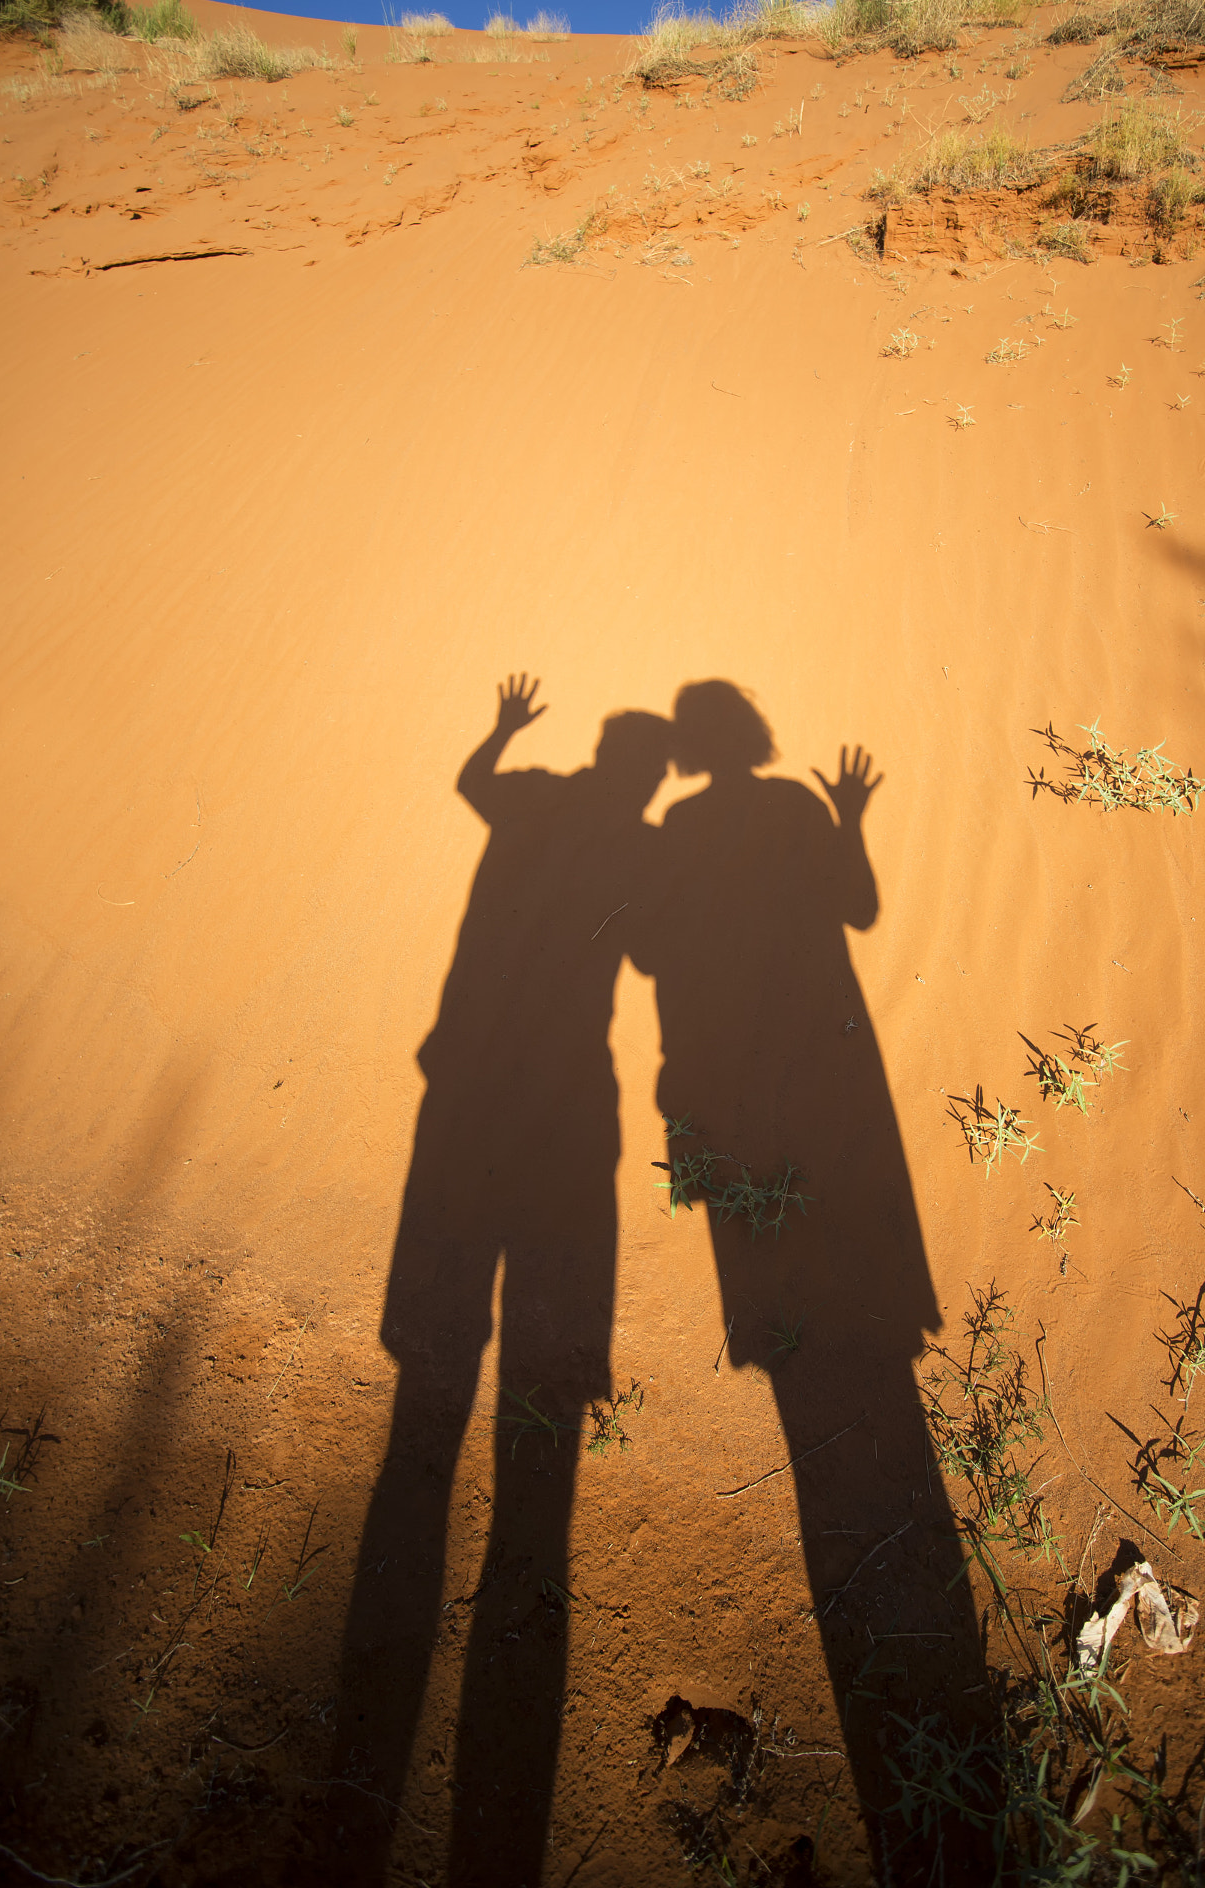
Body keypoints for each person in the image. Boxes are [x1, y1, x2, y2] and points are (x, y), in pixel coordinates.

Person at [631, 680, 984, 1869]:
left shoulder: (677, 828)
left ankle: (796, 1332)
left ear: (689, 752)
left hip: (734, 1063)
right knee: (844, 1202)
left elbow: (641, 945)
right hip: (829, 1059)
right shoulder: (787, 804)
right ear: (761, 744)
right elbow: (865, 907)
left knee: (772, 1218)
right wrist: (848, 816)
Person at [333, 675, 670, 1887]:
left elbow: (470, 784)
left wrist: (501, 729)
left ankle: (437, 1391)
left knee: (443, 1330)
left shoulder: (529, 796)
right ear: (650, 772)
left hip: (469, 1079)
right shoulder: (628, 841)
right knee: (515, 1332)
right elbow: (654, 944)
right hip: (555, 1101)